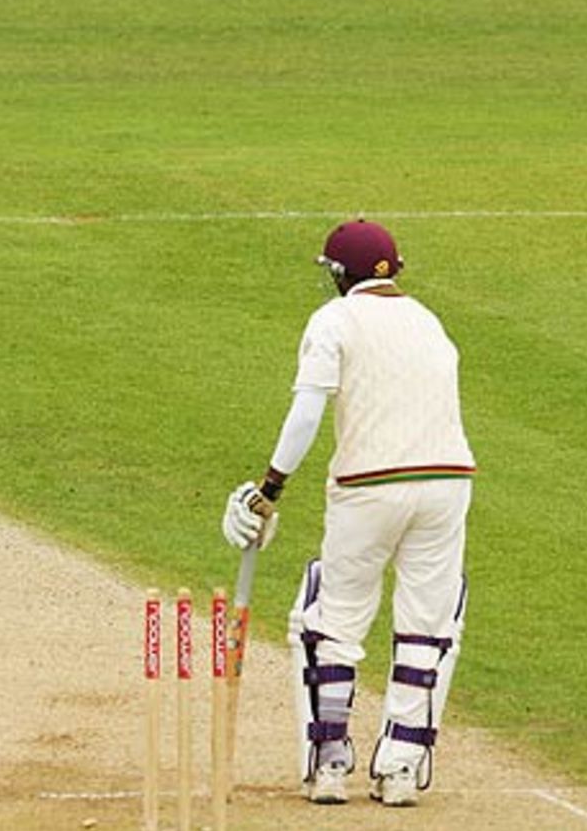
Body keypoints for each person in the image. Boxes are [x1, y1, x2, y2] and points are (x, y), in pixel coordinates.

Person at [221, 219, 475, 807]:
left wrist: (271, 487)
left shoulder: (334, 320)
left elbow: (308, 412)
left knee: (332, 619)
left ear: (339, 274)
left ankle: (330, 763)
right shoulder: (429, 321)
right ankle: (401, 767)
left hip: (369, 484)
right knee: (428, 624)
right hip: (448, 483)